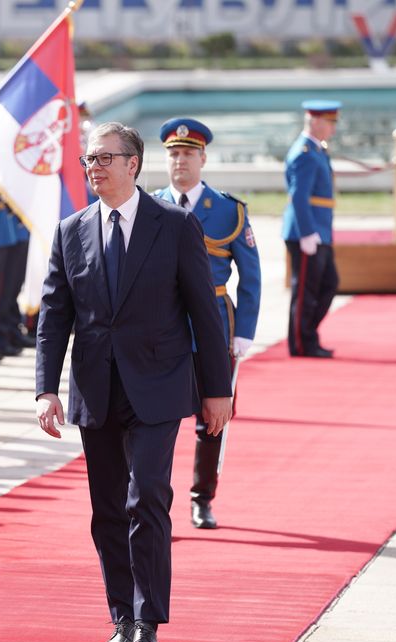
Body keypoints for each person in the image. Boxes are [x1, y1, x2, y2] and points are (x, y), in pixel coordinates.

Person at [34, 122, 232, 642]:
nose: (93, 168)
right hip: (96, 389)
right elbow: (54, 316)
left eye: (103, 158)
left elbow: (204, 313)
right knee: (106, 509)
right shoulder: (70, 230)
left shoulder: (174, 225)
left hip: (159, 385)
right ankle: (120, 614)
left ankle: (148, 621)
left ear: (133, 164)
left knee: (146, 495)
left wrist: (218, 389)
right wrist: (45, 388)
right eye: (88, 160)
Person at [153, 117, 261, 529]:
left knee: (212, 417)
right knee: (154, 419)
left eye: (187, 154)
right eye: (173, 154)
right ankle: (152, 503)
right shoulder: (150, 205)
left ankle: (203, 498)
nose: (180, 161)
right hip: (161, 327)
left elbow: (250, 276)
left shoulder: (228, 210)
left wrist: (245, 331)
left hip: (215, 323)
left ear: (203, 158)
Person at [283, 100, 340, 358]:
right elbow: (299, 196)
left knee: (328, 284)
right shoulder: (305, 153)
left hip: (319, 231)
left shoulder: (316, 150)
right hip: (308, 232)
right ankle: (302, 342)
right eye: (330, 122)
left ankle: (307, 335)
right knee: (305, 290)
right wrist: (307, 232)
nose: (333, 128)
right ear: (315, 122)